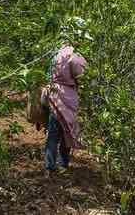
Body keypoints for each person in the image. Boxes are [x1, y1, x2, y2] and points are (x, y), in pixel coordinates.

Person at [42, 17, 90, 178]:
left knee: (53, 132)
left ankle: (49, 166)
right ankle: (63, 164)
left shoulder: (57, 53)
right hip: (67, 98)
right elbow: (83, 79)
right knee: (66, 132)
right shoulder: (75, 56)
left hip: (53, 95)